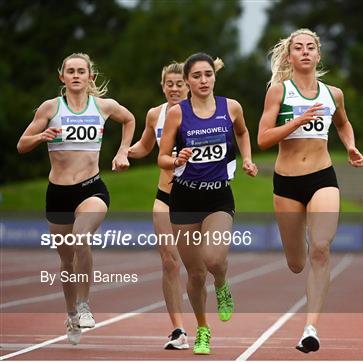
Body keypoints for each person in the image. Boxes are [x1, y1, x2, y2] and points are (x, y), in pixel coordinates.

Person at [257, 28, 363, 353]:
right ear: (289, 56)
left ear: (318, 55)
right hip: (287, 184)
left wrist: (350, 146)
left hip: (322, 178)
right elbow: (263, 138)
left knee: (320, 248)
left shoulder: (334, 94)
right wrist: (297, 121)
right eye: (298, 48)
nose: (305, 52)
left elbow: (343, 123)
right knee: (296, 263)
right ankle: (298, 249)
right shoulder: (278, 91)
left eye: (310, 47)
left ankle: (310, 327)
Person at [16, 53, 135, 344]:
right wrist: (42, 136)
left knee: (81, 238)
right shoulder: (50, 107)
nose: (76, 75)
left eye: (82, 71)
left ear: (90, 77)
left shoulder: (103, 106)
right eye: (71, 71)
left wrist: (122, 152)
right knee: (66, 261)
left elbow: (129, 119)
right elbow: (21, 145)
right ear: (62, 77)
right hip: (58, 193)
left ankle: (84, 306)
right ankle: (71, 313)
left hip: (91, 188)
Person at [158, 53, 257, 355]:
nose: (203, 81)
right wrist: (175, 160)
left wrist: (248, 158)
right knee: (196, 274)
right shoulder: (178, 113)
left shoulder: (231, 107)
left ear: (214, 77)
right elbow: (161, 158)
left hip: (218, 197)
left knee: (213, 260)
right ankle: (202, 329)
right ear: (187, 81)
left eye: (207, 75)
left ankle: (223, 284)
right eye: (197, 76)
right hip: (185, 198)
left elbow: (242, 131)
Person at [128, 61, 189, 350]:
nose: (174, 88)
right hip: (165, 196)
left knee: (203, 264)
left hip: (198, 198)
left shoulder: (203, 113)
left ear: (188, 85)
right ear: (163, 85)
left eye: (179, 84)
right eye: (170, 84)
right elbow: (144, 146)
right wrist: (124, 152)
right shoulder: (155, 114)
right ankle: (178, 329)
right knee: (169, 261)